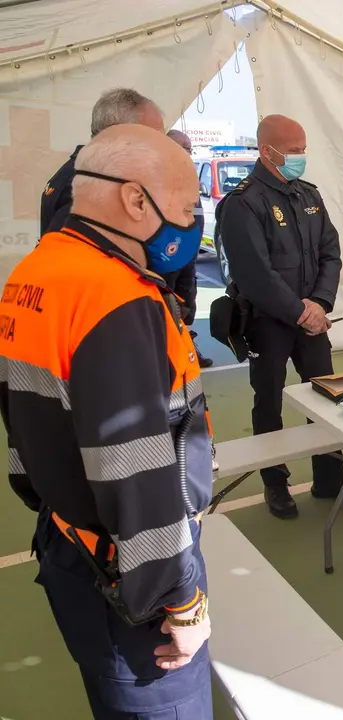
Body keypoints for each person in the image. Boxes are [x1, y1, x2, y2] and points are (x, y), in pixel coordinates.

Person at [1, 124, 213, 718]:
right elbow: (138, 470)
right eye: (188, 205)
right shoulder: (117, 297)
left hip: (69, 541)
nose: (194, 220)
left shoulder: (33, 274)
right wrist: (182, 600)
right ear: (135, 199)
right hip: (132, 578)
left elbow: (21, 422)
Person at [217, 114, 343, 519]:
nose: (302, 157)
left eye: (303, 149)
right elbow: (253, 275)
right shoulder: (243, 204)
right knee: (269, 403)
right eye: (295, 150)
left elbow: (330, 253)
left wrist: (320, 303)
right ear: (268, 152)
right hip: (268, 324)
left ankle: (329, 478)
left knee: (327, 396)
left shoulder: (307, 195)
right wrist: (300, 311)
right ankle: (276, 484)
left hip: (312, 319)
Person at [40, 88, 165, 237]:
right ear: (118, 134)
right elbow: (66, 256)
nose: (161, 149)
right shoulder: (86, 186)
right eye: (153, 139)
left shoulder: (91, 175)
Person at [165, 129, 212, 368]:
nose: (185, 152)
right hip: (165, 261)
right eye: (180, 146)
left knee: (187, 303)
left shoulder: (190, 182)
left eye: (189, 148)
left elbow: (197, 217)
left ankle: (187, 344)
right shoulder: (155, 180)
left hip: (188, 256)